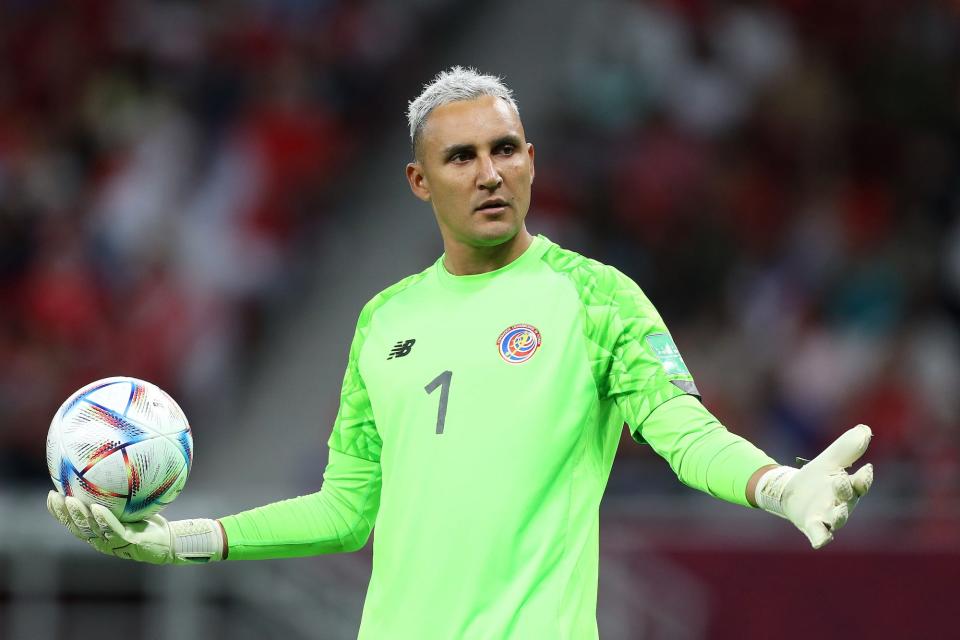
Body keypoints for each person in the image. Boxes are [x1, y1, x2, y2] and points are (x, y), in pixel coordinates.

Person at [47, 67, 874, 639]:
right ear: (418, 181)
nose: (489, 173)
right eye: (462, 156)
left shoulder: (595, 297)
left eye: (505, 150)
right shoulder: (383, 321)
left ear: (531, 162)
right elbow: (345, 510)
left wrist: (780, 486)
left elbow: (684, 434)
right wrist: (179, 540)